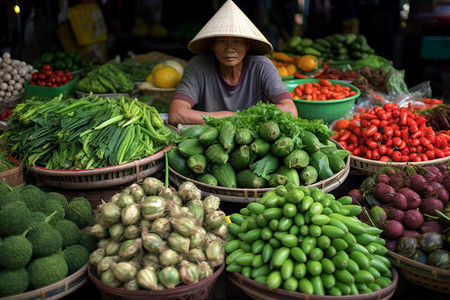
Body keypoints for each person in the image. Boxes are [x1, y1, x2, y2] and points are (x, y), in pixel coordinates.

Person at [168, 0, 298, 126]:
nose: (229, 48)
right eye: (222, 41)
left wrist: (236, 118)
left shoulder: (262, 67)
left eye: (237, 41)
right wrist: (230, 116)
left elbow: (290, 111)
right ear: (212, 44)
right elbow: (176, 114)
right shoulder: (198, 66)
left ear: (247, 45)